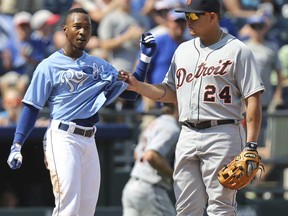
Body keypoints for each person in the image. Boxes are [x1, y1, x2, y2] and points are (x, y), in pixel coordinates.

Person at [119, 0, 265, 215]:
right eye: (186, 15)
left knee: (221, 207)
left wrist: (251, 145)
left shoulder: (237, 50)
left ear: (212, 16)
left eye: (194, 15)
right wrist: (139, 86)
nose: (188, 20)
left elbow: (253, 99)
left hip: (222, 132)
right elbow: (169, 92)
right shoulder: (183, 50)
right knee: (186, 208)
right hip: (187, 133)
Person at [6, 7, 156, 216]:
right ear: (65, 30)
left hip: (89, 139)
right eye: (77, 26)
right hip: (63, 137)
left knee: (86, 210)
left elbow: (130, 92)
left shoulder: (99, 65)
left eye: (87, 27)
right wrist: (17, 143)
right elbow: (32, 107)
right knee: (68, 205)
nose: (83, 32)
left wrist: (145, 59)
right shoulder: (48, 66)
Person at [121, 102, 180, 216]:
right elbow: (151, 155)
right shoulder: (171, 127)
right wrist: (174, 176)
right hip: (150, 187)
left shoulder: (155, 122)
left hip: (131, 187)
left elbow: (137, 154)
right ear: (177, 105)